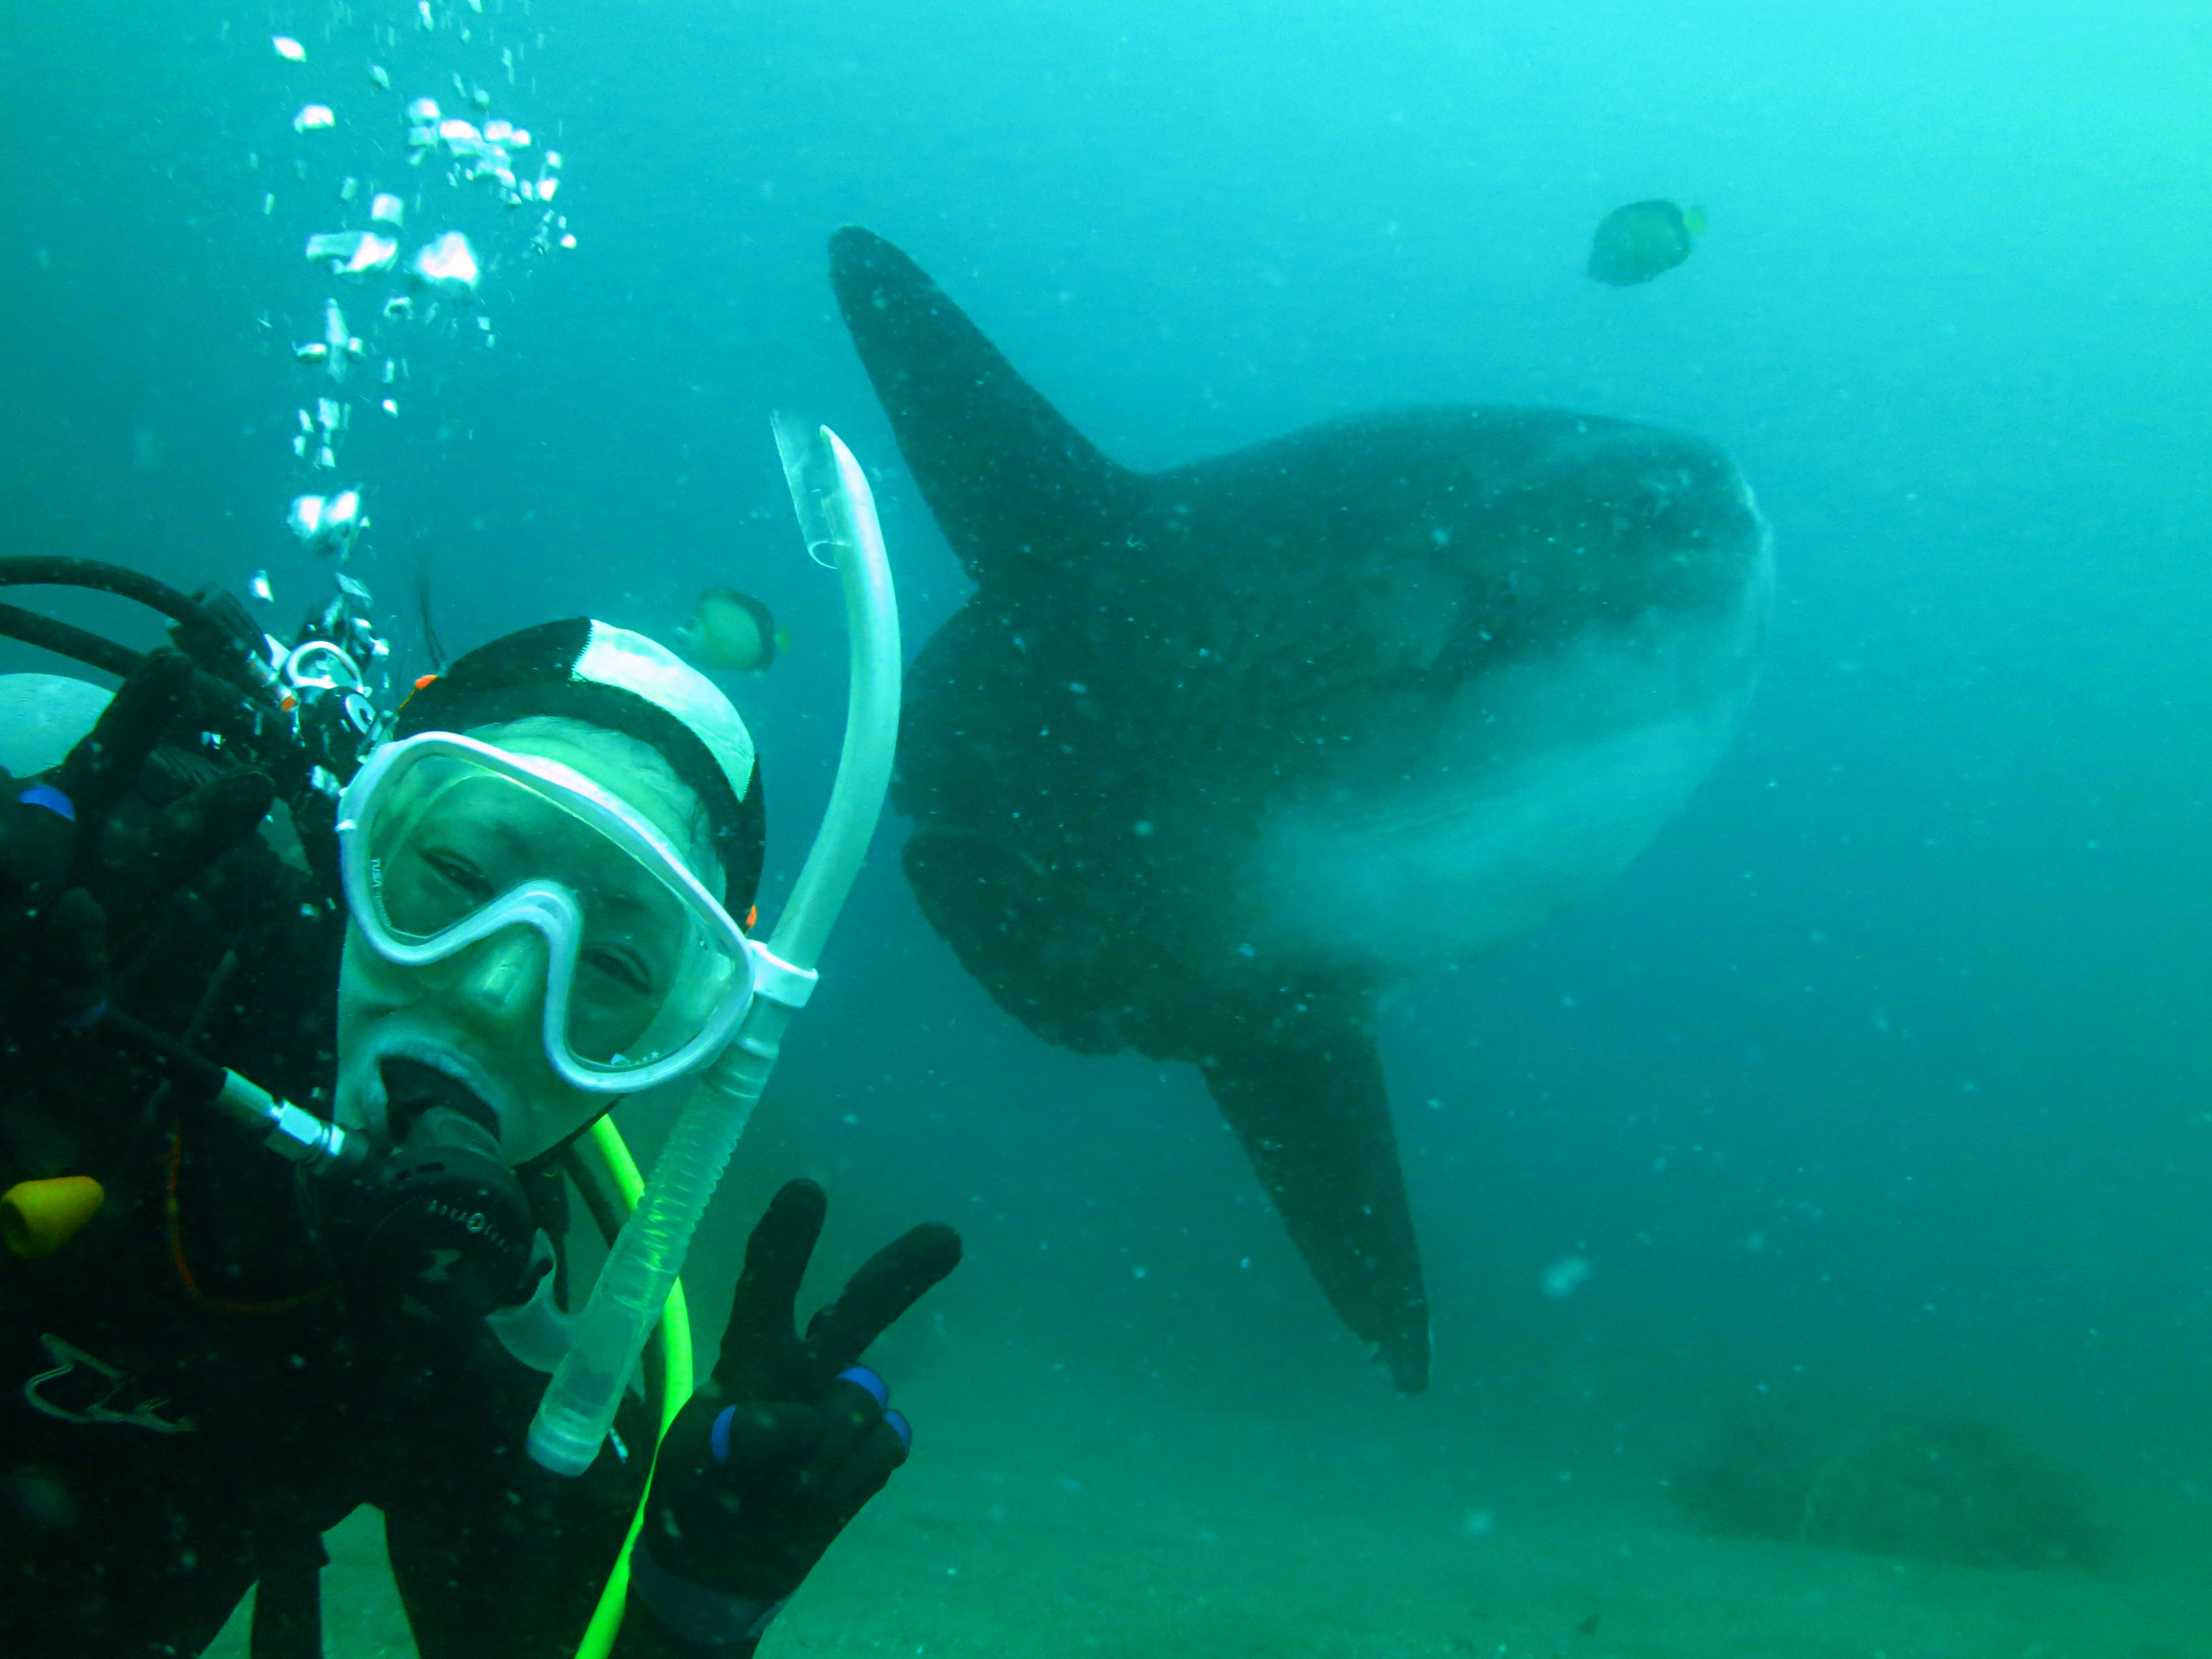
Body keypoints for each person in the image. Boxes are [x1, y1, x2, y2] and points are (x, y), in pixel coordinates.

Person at [0, 617, 960, 1658]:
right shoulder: (86, 924)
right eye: (456, 876)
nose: (499, 994)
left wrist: (696, 1602)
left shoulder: (485, 1348)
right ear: (354, 836)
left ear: (678, 1036)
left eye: (614, 969)